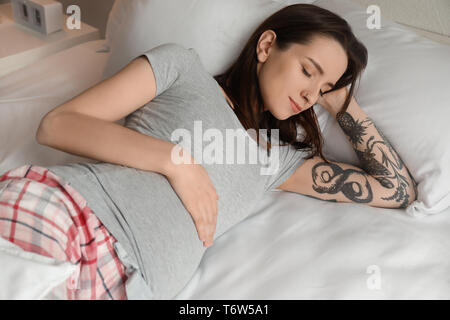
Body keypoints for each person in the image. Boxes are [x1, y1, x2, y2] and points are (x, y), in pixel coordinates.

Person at [0, 4, 417, 300]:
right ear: (267, 46)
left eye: (322, 89)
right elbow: (58, 124)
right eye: (308, 70)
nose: (310, 94)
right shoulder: (183, 69)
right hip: (73, 216)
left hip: (129, 285)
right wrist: (176, 163)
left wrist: (342, 104)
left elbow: (397, 190)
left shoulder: (279, 159)